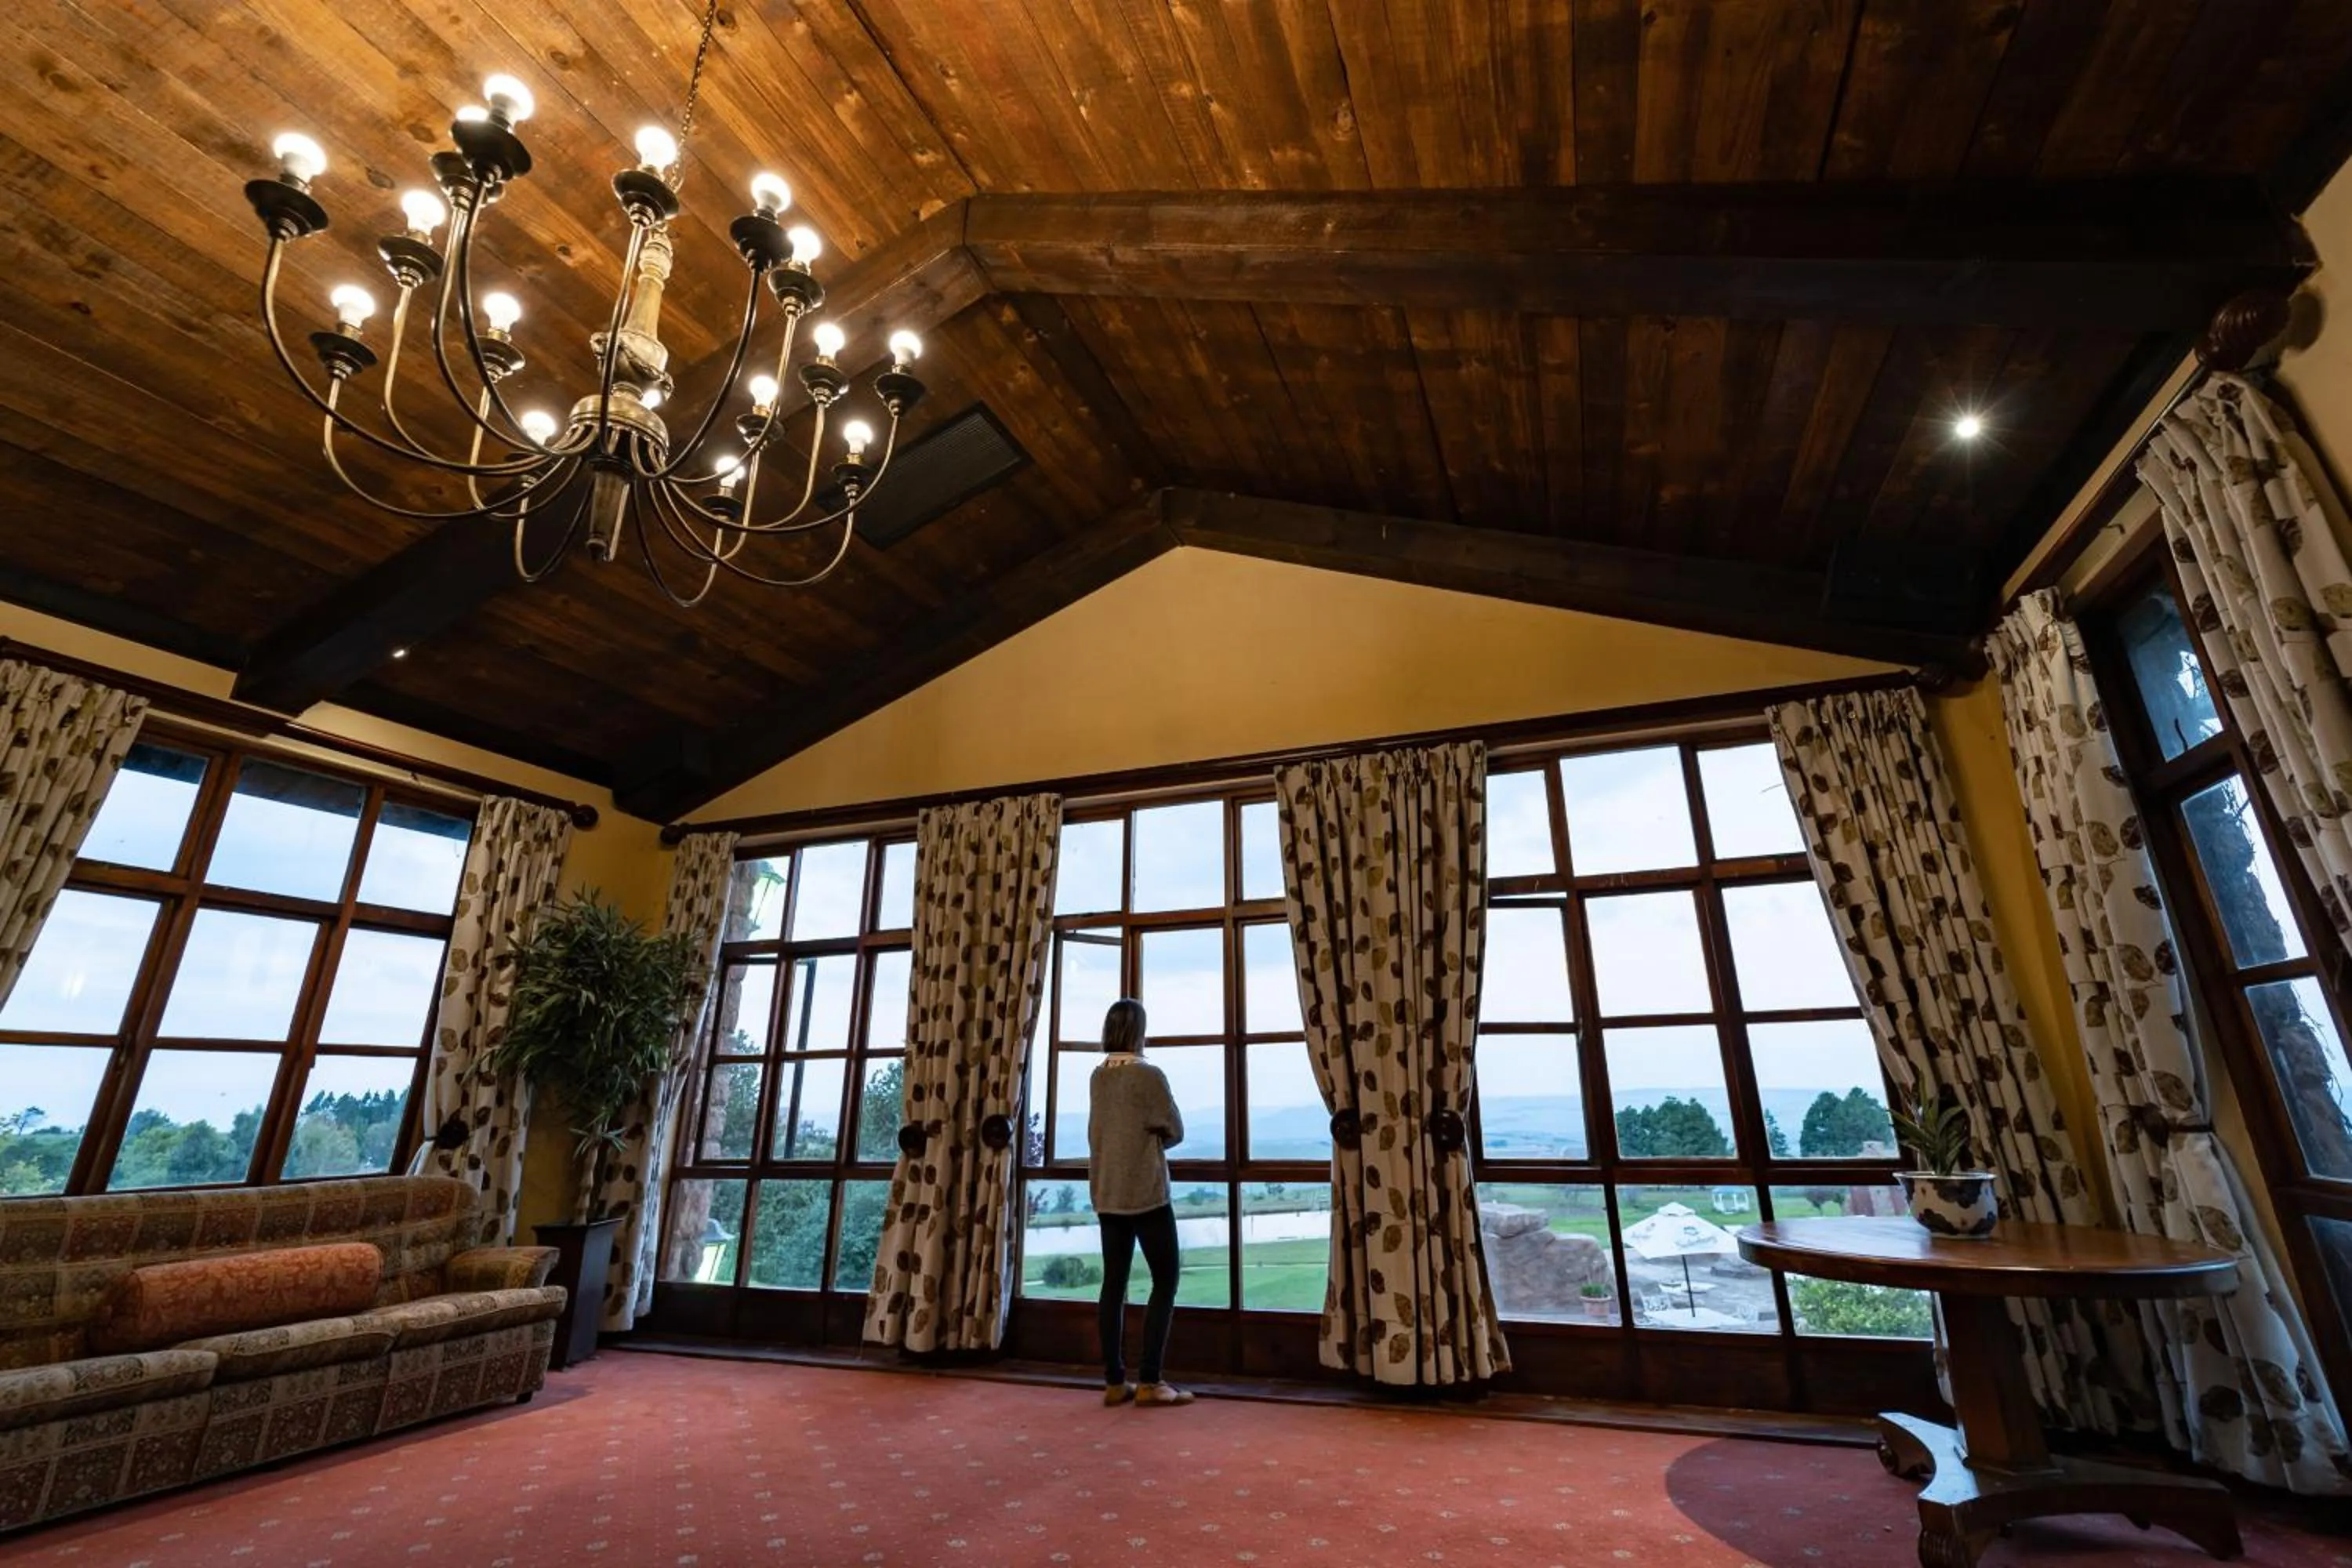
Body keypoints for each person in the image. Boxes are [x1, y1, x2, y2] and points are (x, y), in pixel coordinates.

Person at [1088, 998, 1194, 1408]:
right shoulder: (1149, 1075)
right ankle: (1150, 1380)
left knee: (1113, 1285)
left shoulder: (1098, 1077)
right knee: (1165, 1279)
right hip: (1146, 1193)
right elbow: (1175, 1129)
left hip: (1108, 1193)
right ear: (1139, 1032)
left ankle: (1115, 1381)